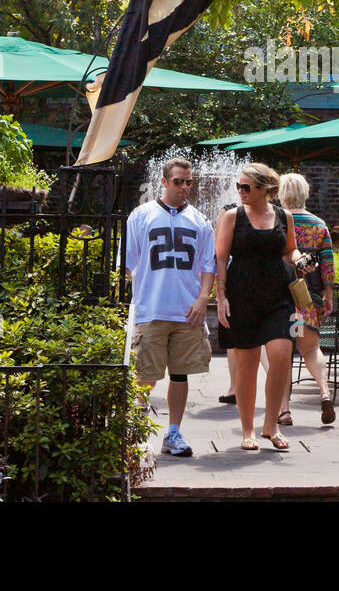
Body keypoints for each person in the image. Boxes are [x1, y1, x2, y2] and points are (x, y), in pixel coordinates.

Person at [124, 158, 216, 458]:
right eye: (178, 181)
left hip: (186, 311)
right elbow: (127, 265)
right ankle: (137, 433)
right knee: (143, 376)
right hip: (151, 308)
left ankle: (173, 432)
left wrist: (204, 298)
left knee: (180, 375)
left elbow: (207, 265)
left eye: (189, 181)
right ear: (163, 182)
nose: (185, 187)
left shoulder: (200, 221)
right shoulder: (141, 216)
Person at [215, 163, 303, 451]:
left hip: (278, 294)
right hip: (242, 294)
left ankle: (271, 424)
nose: (240, 191)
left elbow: (289, 249)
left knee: (281, 355)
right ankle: (247, 429)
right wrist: (221, 297)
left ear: (265, 189)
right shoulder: (232, 217)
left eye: (246, 187)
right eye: (239, 186)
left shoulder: (283, 215)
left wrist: (300, 258)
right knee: (247, 364)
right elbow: (220, 259)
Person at [276, 172, 337, 427]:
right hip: (308, 295)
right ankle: (324, 391)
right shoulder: (318, 223)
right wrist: (329, 293)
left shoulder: (275, 219)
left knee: (282, 354)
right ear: (305, 193)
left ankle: (284, 410)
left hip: (279, 295)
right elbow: (327, 261)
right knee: (312, 349)